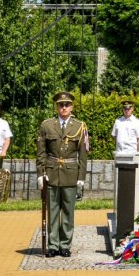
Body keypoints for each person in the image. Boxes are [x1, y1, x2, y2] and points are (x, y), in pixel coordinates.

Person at [36, 92, 88, 258]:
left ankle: (65, 245)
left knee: (67, 212)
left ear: (72, 107)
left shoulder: (80, 126)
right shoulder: (47, 125)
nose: (64, 107)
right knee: (52, 210)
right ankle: (53, 245)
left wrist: (81, 178)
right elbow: (41, 153)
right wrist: (40, 173)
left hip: (71, 174)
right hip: (51, 173)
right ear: (56, 107)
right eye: (61, 105)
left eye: (67, 105)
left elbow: (83, 155)